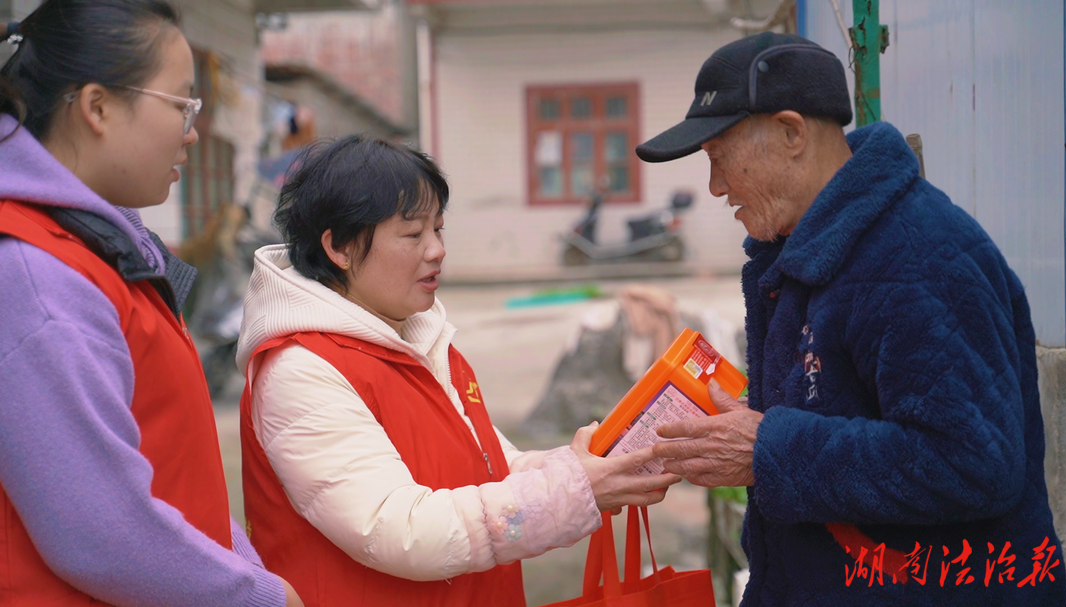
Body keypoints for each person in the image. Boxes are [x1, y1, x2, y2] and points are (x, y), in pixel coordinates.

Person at [637, 31, 1066, 605]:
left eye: (720, 159)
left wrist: (768, 448)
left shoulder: (918, 258)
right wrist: (756, 424)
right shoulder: (811, 250)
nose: (716, 188)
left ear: (792, 133)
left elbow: (971, 463)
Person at [236, 136, 680, 606]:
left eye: (439, 229)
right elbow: (398, 529)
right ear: (340, 247)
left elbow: (490, 465)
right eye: (413, 235)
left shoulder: (419, 336)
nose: (437, 250)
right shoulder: (300, 369)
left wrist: (580, 468)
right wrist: (567, 493)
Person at [0, 2, 302, 606]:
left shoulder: (96, 248)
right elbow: (101, 532)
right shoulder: (37, 276)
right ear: (98, 107)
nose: (192, 130)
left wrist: (242, 568)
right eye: (181, 104)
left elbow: (170, 472)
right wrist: (257, 597)